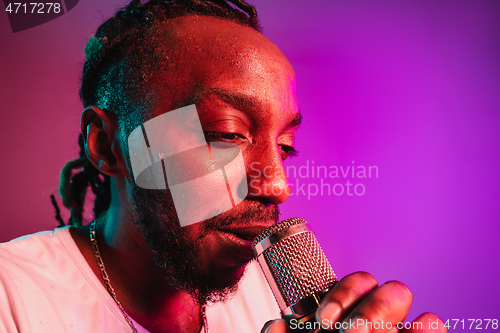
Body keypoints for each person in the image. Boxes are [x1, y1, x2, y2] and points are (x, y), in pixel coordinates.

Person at [0, 0, 447, 332]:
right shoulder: (12, 297)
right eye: (228, 134)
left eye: (286, 145)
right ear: (109, 146)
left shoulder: (272, 289)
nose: (277, 185)